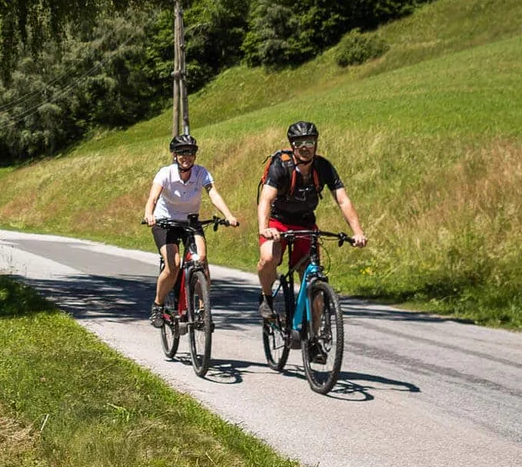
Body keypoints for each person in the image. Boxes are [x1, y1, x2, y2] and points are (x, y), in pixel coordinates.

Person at [256, 120, 366, 321]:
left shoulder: (323, 167)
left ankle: (314, 343)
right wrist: (264, 228)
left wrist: (357, 232)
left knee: (312, 280)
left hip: (305, 225)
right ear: (292, 146)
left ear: (316, 143)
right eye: (299, 143)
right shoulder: (281, 165)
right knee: (268, 259)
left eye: (309, 141)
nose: (305, 147)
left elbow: (343, 200)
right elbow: (266, 199)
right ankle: (267, 297)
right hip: (277, 222)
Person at [142, 133, 239, 325]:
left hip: (190, 223)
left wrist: (229, 215)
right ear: (174, 155)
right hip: (165, 223)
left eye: (191, 153)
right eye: (182, 153)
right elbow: (153, 197)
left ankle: (204, 310)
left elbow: (214, 194)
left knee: (201, 260)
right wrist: (149, 214)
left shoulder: (201, 173)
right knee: (174, 265)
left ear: (195, 155)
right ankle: (158, 306)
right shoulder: (165, 173)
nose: (186, 157)